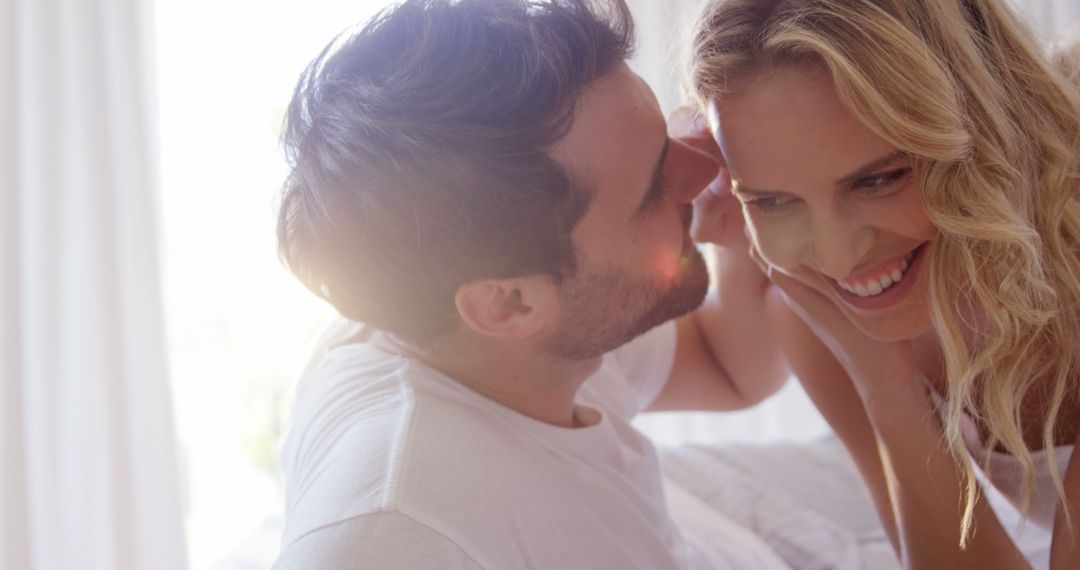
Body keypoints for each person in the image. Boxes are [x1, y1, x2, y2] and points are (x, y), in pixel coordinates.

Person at [270, 0, 792, 567]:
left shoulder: (505, 328)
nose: (710, 173)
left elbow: (731, 369)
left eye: (665, 142)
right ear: (509, 304)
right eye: (652, 188)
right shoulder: (394, 538)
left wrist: (748, 230)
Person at [688, 0, 1080, 568]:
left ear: (985, 125)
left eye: (878, 179)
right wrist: (884, 382)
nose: (838, 257)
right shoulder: (816, 313)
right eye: (773, 200)